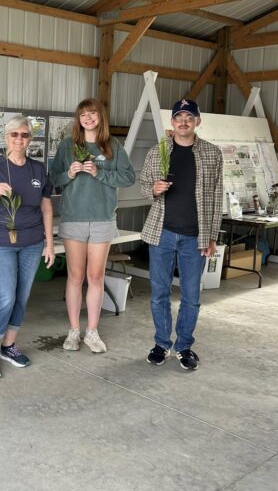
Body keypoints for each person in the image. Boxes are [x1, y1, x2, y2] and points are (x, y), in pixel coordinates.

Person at [139, 99, 223, 370]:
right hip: (161, 233)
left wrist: (211, 236)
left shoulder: (212, 153)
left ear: (198, 121)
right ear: (172, 122)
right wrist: (154, 188)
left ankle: (184, 346)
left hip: (195, 237)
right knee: (159, 293)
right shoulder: (158, 151)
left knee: (191, 296)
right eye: (179, 117)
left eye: (189, 117)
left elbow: (216, 197)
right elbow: (143, 186)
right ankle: (162, 344)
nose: (183, 122)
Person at [0, 115, 55, 379]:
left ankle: (9, 346)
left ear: (30, 139)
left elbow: (46, 206)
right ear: (6, 137)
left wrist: (50, 244)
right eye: (14, 135)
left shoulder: (37, 169)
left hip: (31, 242)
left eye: (25, 135)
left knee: (21, 296)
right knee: (4, 296)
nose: (19, 139)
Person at [50, 98, 135, 353]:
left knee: (95, 276)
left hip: (102, 219)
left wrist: (100, 173)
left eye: (93, 113)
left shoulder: (112, 145)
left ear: (100, 117)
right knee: (75, 276)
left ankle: (92, 332)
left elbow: (128, 176)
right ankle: (74, 330)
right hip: (73, 218)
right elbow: (53, 178)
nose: (88, 118)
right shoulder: (67, 146)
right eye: (83, 114)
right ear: (78, 119)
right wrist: (70, 173)